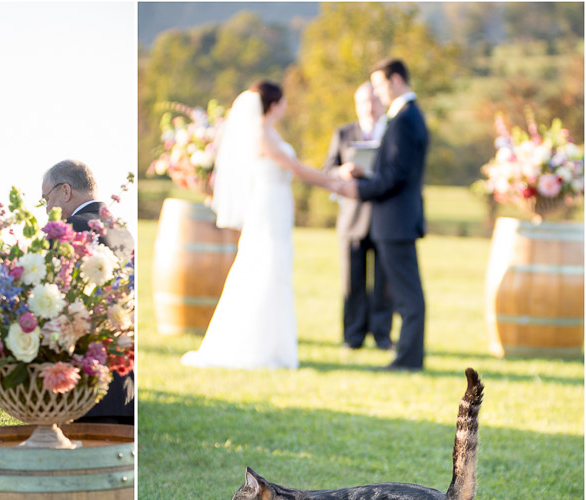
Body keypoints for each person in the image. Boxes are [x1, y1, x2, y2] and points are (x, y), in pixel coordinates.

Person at [181, 80, 339, 370]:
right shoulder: (261, 135)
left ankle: (275, 347)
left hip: (276, 207)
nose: (286, 107)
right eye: (284, 102)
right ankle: (257, 347)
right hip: (267, 208)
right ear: (275, 105)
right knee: (263, 269)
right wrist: (337, 182)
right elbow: (297, 169)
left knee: (275, 270)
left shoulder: (269, 133)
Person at [336, 58, 429, 371]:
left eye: (378, 84)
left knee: (408, 297)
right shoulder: (404, 116)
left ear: (397, 80)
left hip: (396, 221)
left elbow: (397, 175)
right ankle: (407, 357)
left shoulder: (405, 118)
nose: (376, 93)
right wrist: (365, 177)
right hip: (395, 220)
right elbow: (392, 171)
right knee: (406, 296)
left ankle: (407, 360)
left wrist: (360, 190)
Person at [41, 160, 134, 425]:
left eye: (46, 199)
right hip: (124, 384)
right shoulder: (123, 232)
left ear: (65, 191)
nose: (47, 208)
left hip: (82, 389)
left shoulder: (66, 231)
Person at [323, 82, 392, 351]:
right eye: (364, 101)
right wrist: (342, 172)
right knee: (352, 281)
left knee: (384, 283)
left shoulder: (392, 132)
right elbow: (327, 168)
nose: (370, 106)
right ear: (356, 104)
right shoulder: (343, 132)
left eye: (374, 100)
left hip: (384, 215)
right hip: (351, 217)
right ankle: (352, 336)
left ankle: (382, 335)